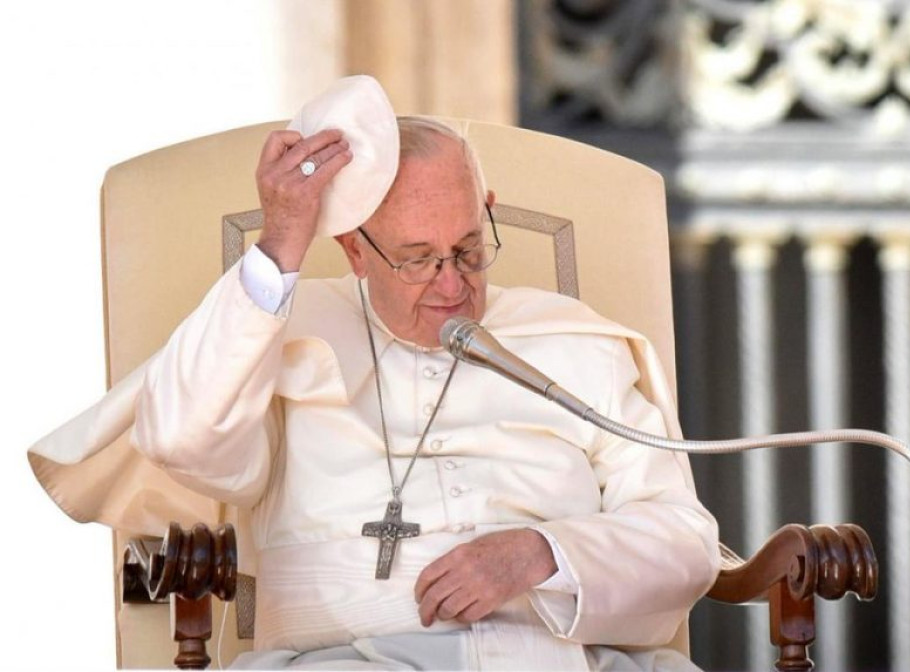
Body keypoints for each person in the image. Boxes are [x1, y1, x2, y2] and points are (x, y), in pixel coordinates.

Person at [29, 77, 719, 671]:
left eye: (470, 249)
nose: (452, 286)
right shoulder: (280, 333)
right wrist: (280, 243)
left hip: (563, 659)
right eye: (417, 259)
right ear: (355, 252)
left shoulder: (576, 341)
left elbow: (685, 540)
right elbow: (183, 437)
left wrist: (544, 552)